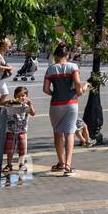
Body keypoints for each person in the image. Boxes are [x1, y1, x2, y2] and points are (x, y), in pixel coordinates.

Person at [42, 43, 84, 175]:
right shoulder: (73, 66)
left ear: (55, 55)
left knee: (58, 133)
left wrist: (54, 94)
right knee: (70, 133)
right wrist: (79, 91)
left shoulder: (51, 69)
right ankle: (68, 165)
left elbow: (45, 89)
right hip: (71, 103)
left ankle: (60, 162)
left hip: (55, 105)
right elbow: (77, 83)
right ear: (67, 55)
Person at [3, 86, 35, 174]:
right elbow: (1, 103)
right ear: (15, 96)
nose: (21, 98)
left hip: (22, 130)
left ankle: (21, 164)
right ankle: (9, 164)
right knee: (10, 149)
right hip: (11, 130)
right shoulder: (10, 104)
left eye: (23, 95)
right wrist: (11, 101)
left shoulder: (26, 105)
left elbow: (33, 113)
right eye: (18, 96)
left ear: (26, 96)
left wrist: (30, 103)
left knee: (22, 149)